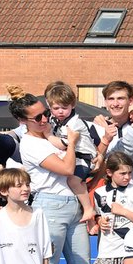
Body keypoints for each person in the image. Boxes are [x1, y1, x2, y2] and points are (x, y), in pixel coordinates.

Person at [8, 87, 93, 264]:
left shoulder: (49, 135)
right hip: (50, 206)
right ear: (23, 122)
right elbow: (68, 168)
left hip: (74, 205)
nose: (45, 120)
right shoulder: (31, 144)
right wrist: (73, 142)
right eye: (38, 118)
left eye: (45, 114)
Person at [45, 81, 97, 222]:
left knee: (73, 181)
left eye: (64, 107)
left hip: (84, 157)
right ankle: (86, 212)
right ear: (49, 107)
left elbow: (63, 144)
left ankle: (88, 209)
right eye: (56, 108)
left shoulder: (74, 123)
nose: (60, 111)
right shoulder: (56, 120)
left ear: (73, 105)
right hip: (73, 156)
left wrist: (47, 135)